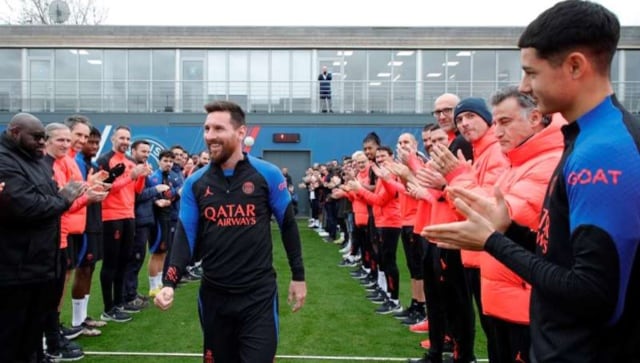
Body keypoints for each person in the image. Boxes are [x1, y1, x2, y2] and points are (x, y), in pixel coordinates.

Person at [423, 1, 640, 362]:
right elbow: (561, 254)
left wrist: (493, 241)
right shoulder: (587, 138)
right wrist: (506, 230)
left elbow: (591, 292)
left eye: (531, 73)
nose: (524, 85)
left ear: (575, 66)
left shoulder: (604, 152)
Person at [154, 100, 306, 363]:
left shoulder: (267, 174)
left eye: (218, 129)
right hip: (214, 298)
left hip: (258, 296)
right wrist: (170, 282)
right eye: (206, 129)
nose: (210, 136)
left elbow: (289, 226)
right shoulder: (195, 183)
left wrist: (298, 276)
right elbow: (185, 237)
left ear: (240, 132)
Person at [0, 113, 85, 362]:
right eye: (36, 137)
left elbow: (48, 198)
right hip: (15, 269)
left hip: (41, 264)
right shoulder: (5, 161)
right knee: (11, 337)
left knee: (32, 335)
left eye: (42, 137)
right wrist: (62, 199)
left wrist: (58, 199)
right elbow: (24, 206)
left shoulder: (35, 160)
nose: (41, 142)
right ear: (15, 132)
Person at [97, 126, 152, 322]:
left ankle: (119, 303)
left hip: (129, 216)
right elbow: (105, 189)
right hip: (111, 217)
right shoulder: (105, 160)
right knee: (111, 263)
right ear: (113, 138)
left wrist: (141, 175)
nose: (125, 141)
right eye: (122, 137)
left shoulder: (129, 162)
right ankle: (108, 307)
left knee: (124, 261)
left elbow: (135, 191)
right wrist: (131, 175)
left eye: (128, 138)